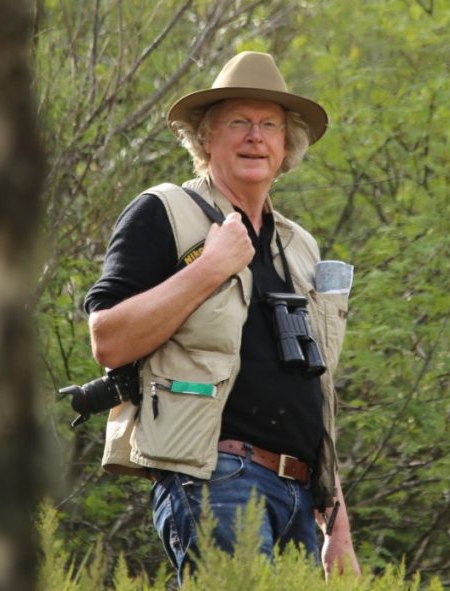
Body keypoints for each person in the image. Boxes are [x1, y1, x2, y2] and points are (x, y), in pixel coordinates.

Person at [83, 51, 360, 583]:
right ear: (206, 139)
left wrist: (338, 527)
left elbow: (313, 391)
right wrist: (209, 267)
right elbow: (109, 339)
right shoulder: (164, 211)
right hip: (216, 478)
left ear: (286, 147)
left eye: (270, 126)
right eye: (239, 122)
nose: (255, 136)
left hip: (300, 495)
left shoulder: (300, 247)